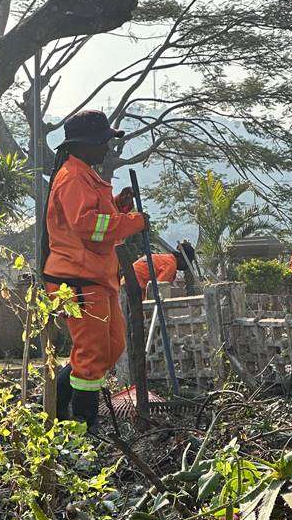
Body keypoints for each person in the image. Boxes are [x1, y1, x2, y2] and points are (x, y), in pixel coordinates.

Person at [41, 110, 148, 429]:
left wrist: (118, 207)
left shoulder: (83, 173)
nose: (107, 148)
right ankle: (82, 428)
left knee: (111, 347)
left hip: (95, 276)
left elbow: (92, 217)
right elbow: (87, 225)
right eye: (103, 142)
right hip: (76, 277)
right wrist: (131, 223)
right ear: (84, 145)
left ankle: (56, 400)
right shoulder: (73, 176)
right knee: (93, 352)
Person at [132, 241, 197, 297]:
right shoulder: (171, 265)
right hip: (135, 284)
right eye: (188, 262)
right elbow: (158, 288)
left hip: (130, 279)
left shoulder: (166, 259)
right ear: (182, 258)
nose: (186, 266)